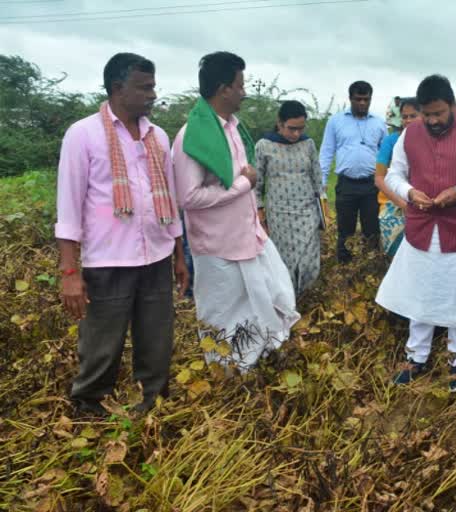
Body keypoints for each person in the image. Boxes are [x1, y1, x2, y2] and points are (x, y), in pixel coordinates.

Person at [56, 53, 188, 415]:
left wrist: (179, 255)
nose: (153, 94)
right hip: (108, 260)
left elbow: (170, 202)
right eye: (144, 87)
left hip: (156, 257)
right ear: (118, 88)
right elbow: (68, 209)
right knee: (102, 343)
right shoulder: (83, 134)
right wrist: (70, 273)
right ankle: (89, 407)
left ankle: (152, 404)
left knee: (157, 340)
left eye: (153, 86)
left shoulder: (157, 136)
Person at [375, 74, 456, 392]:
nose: (432, 120)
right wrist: (409, 192)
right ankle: (416, 356)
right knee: (422, 290)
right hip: (422, 227)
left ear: (452, 106)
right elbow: (393, 175)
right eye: (426, 114)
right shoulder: (410, 134)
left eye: (438, 114)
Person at [173, 52, 299, 370]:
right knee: (223, 313)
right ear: (223, 89)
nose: (244, 91)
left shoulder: (231, 129)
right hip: (217, 246)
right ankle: (226, 373)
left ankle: (250, 366)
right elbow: (188, 196)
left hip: (247, 236)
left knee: (264, 299)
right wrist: (243, 185)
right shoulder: (192, 136)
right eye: (240, 85)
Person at [254, 100, 323, 295]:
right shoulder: (264, 146)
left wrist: (324, 214)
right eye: (291, 129)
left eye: (300, 129)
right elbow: (257, 186)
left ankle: (308, 301)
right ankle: (289, 306)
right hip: (279, 216)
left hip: (307, 213)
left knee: (309, 263)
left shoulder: (308, 144)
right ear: (279, 123)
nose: (296, 134)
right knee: (284, 263)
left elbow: (318, 180)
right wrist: (261, 216)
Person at [319, 81, 387, 263]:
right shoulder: (336, 121)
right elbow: (326, 152)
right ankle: (344, 270)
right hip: (346, 184)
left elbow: (386, 155)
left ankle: (371, 268)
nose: (362, 103)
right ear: (350, 99)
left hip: (371, 185)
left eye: (366, 99)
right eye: (358, 99)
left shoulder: (379, 123)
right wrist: (322, 182)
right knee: (345, 230)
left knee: (372, 230)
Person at [374, 97, 422, 256]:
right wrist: (404, 205)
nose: (408, 120)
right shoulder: (392, 141)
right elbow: (379, 179)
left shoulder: (431, 141)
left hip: (422, 206)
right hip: (393, 207)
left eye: (413, 116)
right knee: (397, 259)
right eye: (404, 116)